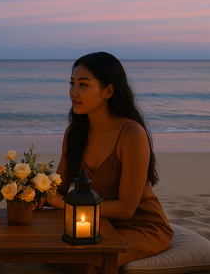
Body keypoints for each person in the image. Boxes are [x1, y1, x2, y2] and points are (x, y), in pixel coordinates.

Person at [43, 52, 174, 273]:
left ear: (108, 91)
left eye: (83, 85)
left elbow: (126, 209)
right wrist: (30, 191)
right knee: (44, 248)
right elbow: (60, 188)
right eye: (72, 83)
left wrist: (63, 205)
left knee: (87, 261)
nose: (73, 92)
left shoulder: (131, 133)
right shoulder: (74, 134)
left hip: (140, 226)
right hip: (94, 222)